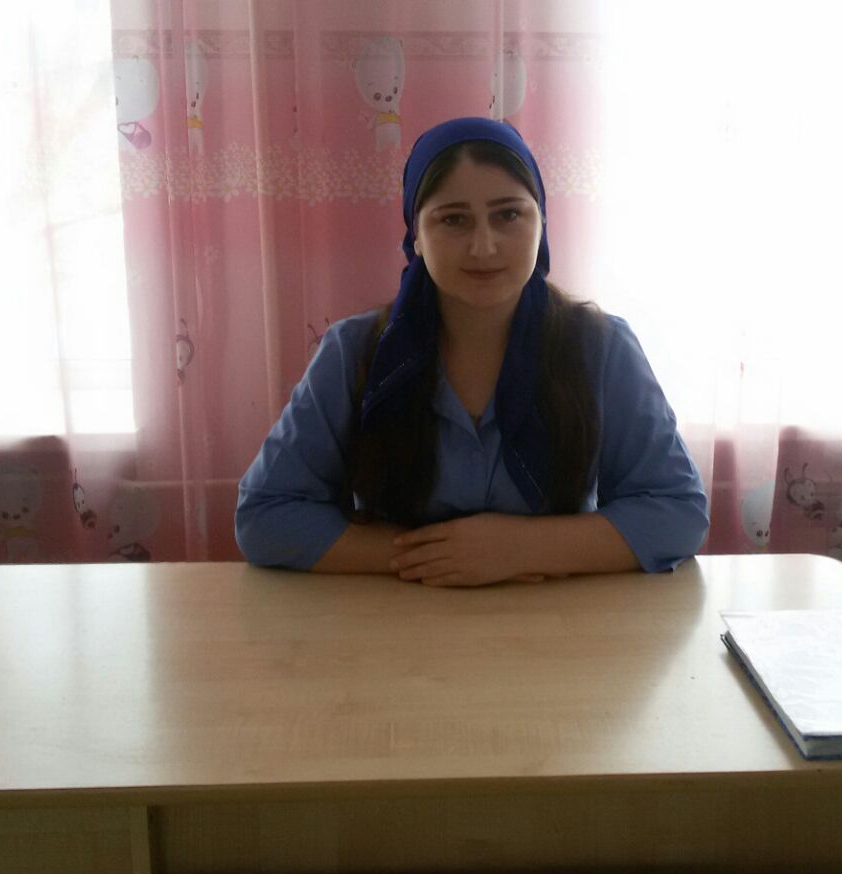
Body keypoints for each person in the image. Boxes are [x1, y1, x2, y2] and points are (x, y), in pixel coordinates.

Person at [236, 117, 708, 586]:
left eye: (509, 215)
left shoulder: (602, 347)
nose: (484, 247)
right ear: (416, 237)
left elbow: (677, 512)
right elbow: (266, 516)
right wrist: (445, 557)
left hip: (559, 621)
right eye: (453, 219)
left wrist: (521, 549)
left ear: (542, 223)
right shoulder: (354, 351)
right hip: (396, 618)